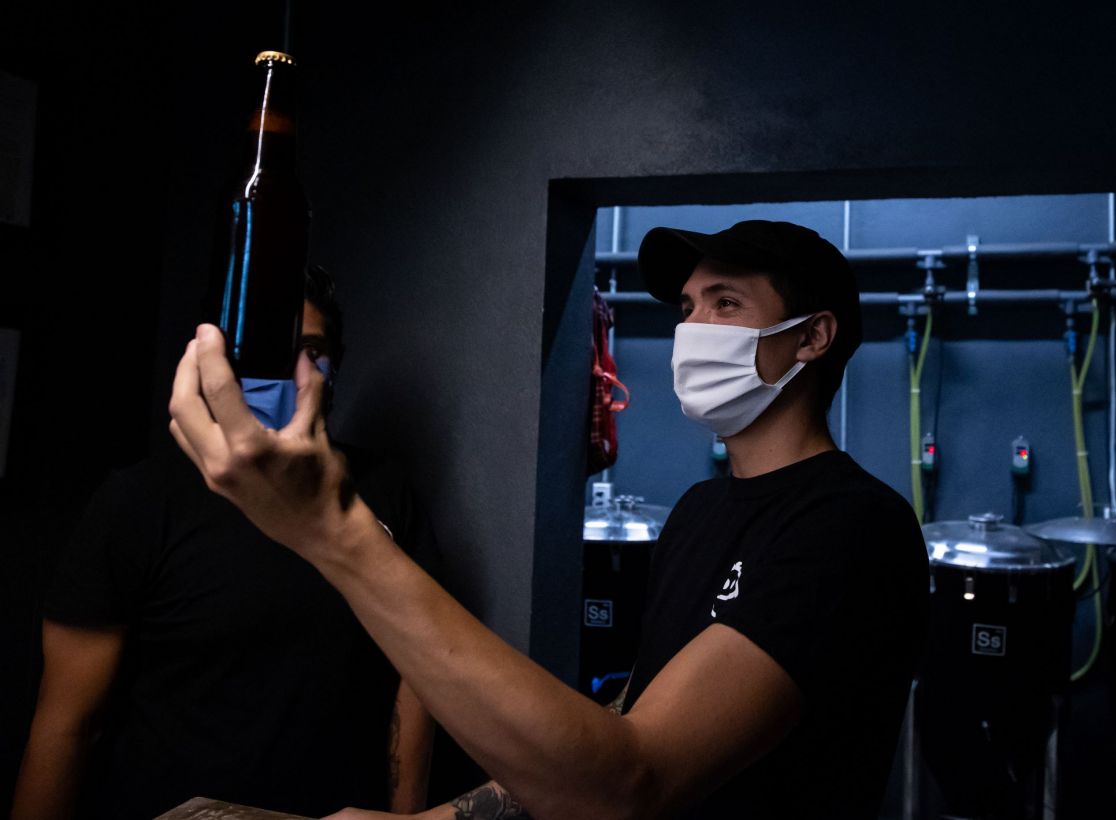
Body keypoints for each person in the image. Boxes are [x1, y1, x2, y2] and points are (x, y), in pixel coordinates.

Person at [165, 221, 928, 819]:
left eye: (726, 304)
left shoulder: (852, 528)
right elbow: (636, 711)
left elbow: (631, 781)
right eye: (688, 308)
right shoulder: (701, 510)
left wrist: (333, 529)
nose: (693, 329)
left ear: (813, 337)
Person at [12, 267, 441, 820]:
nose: (295, 371)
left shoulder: (384, 491)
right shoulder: (140, 502)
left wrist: (407, 817)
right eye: (267, 351)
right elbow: (67, 724)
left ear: (336, 363)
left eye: (313, 350)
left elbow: (417, 676)